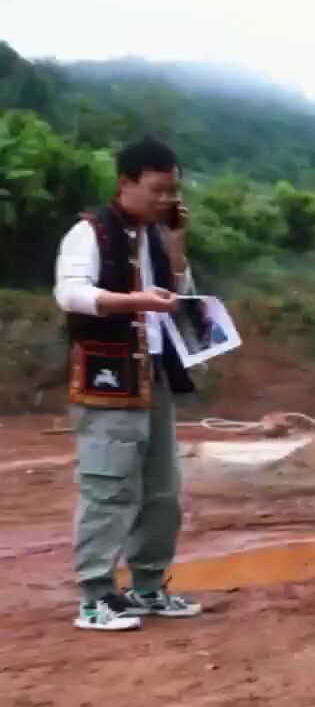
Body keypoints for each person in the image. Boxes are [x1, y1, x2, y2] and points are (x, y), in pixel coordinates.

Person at [53, 136, 204, 631]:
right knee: (109, 485)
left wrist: (177, 245)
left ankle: (148, 588)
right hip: (108, 377)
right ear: (125, 183)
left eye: (172, 191)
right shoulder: (89, 233)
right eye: (157, 190)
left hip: (153, 375)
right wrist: (133, 300)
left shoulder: (157, 238)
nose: (166, 201)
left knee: (162, 490)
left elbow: (180, 295)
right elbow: (71, 294)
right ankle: (96, 597)